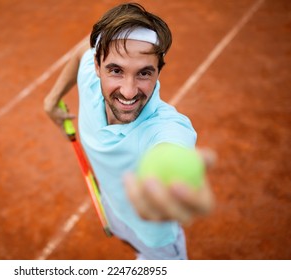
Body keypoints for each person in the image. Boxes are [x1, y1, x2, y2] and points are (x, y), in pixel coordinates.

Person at [44, 2, 214, 260]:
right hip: (113, 209)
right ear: (97, 66)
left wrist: (171, 171)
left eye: (144, 73)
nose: (128, 91)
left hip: (156, 240)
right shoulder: (90, 78)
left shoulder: (163, 126)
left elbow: (170, 147)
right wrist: (52, 99)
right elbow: (82, 50)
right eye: (116, 71)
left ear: (158, 72)